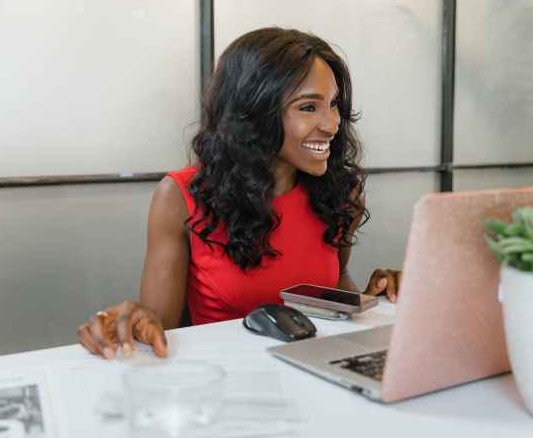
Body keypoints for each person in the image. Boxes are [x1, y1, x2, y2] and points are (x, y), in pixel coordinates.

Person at [77, 27, 402, 359]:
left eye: (333, 105)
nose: (332, 124)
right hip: (225, 379)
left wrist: (379, 299)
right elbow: (158, 326)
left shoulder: (341, 193)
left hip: (316, 375)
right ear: (254, 112)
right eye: (308, 108)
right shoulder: (179, 197)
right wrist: (132, 322)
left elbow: (334, 284)